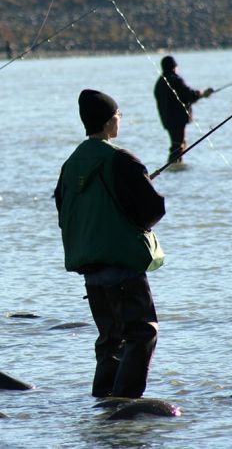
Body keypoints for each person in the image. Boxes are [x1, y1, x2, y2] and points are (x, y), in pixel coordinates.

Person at [54, 89, 166, 399]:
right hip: (123, 267)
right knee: (142, 332)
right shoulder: (120, 159)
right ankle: (125, 406)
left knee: (109, 339)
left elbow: (63, 211)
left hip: (91, 270)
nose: (120, 120)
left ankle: (103, 402)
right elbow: (153, 209)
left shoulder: (71, 163)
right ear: (108, 122)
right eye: (118, 115)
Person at [154, 55, 213, 165]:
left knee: (178, 144)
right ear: (174, 67)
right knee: (178, 145)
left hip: (166, 119)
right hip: (177, 119)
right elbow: (189, 94)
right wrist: (203, 93)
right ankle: (173, 165)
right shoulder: (175, 79)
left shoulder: (160, 82)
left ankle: (175, 166)